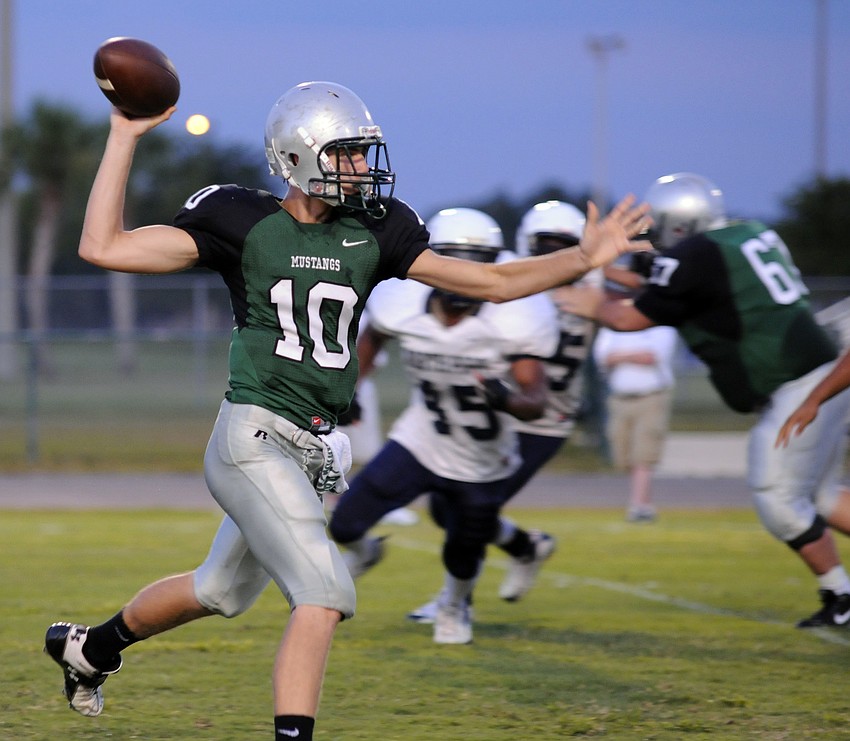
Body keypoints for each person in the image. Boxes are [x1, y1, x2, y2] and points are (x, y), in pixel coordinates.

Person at [43, 80, 651, 736]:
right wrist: (124, 134)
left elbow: (493, 282)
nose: (361, 166)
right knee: (324, 593)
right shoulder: (239, 220)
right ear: (296, 157)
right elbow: (103, 247)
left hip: (310, 447)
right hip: (253, 436)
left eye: (363, 151)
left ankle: (90, 648)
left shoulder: (376, 229)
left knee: (219, 590)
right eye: (346, 153)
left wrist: (583, 258)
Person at [556, 171, 850, 628]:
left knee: (777, 497)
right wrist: (599, 270)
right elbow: (675, 290)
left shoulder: (694, 255)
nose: (658, 238)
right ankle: (840, 596)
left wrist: (587, 299)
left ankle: (841, 596)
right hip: (819, 370)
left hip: (798, 386)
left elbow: (631, 318)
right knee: (822, 496)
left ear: (679, 223)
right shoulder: (745, 234)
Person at [328, 207, 559, 644]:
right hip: (421, 439)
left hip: (481, 458)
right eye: (455, 261)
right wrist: (348, 387)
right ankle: (367, 553)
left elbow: (536, 400)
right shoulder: (402, 304)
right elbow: (371, 341)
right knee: (344, 524)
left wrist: (508, 399)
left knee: (462, 550)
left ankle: (454, 605)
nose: (464, 276)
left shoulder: (513, 318)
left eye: (477, 263)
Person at [406, 201, 601, 624]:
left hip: (546, 419)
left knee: (467, 512)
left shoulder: (589, 292)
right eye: (546, 245)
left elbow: (632, 307)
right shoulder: (509, 282)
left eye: (564, 246)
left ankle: (456, 602)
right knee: (447, 507)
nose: (554, 253)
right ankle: (525, 547)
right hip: (496, 413)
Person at [593, 324, 678, 522]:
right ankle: (641, 500)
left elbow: (651, 357)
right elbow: (603, 358)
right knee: (622, 453)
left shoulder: (660, 325)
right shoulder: (613, 326)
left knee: (644, 451)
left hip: (652, 396)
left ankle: (640, 505)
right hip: (619, 397)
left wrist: (620, 356)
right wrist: (633, 356)